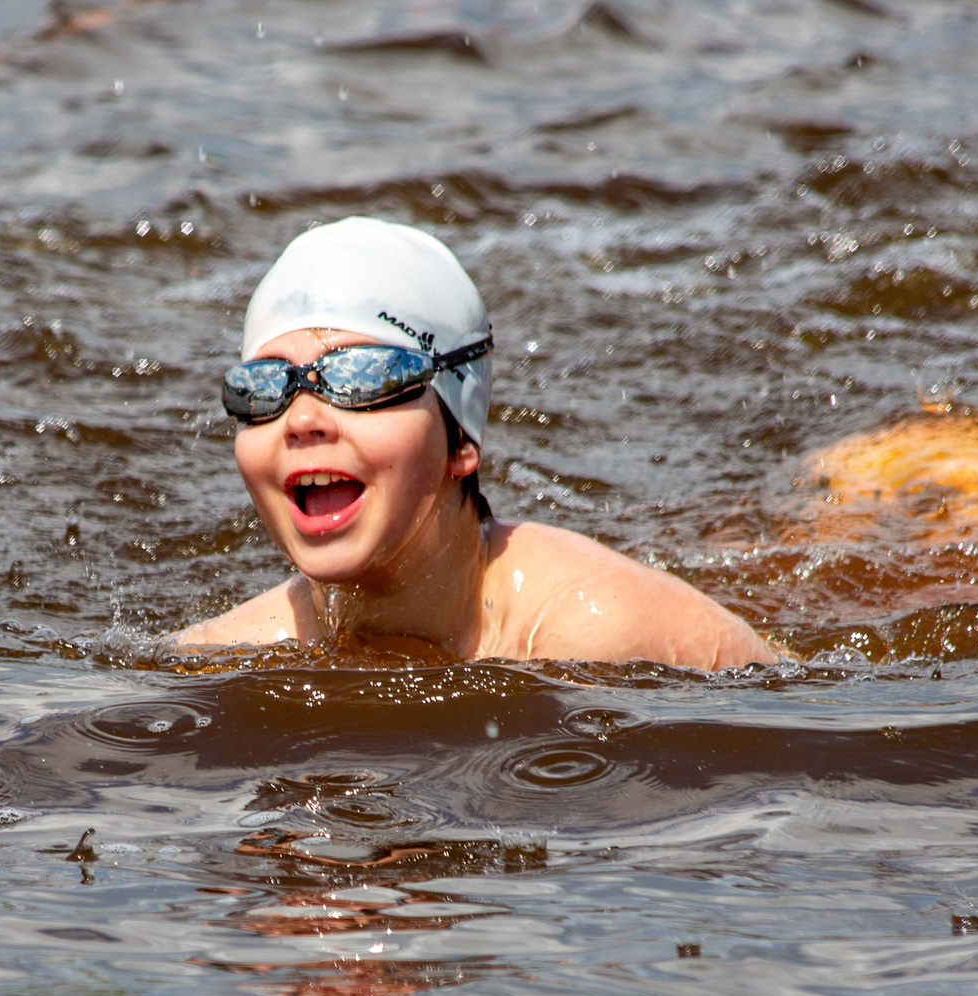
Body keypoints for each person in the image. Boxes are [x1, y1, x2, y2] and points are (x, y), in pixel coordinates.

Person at [173, 217, 782, 669]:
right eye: (263, 387)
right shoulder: (223, 656)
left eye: (362, 377)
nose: (303, 418)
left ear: (461, 440)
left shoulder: (595, 636)